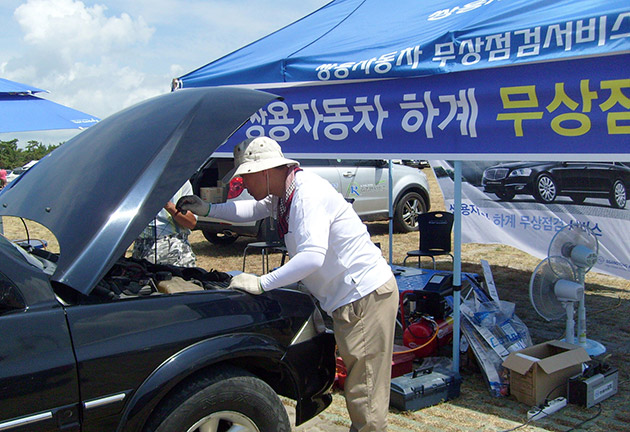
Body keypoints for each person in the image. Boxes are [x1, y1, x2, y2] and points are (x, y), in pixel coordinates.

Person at [177, 137, 399, 432]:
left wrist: (261, 282)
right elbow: (247, 211)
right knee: (362, 387)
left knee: (365, 392)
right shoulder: (284, 193)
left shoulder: (307, 194)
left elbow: (311, 258)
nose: (242, 184)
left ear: (265, 171)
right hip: (350, 296)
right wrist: (207, 209)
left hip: (363, 297)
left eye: (246, 177)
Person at [133, 181, 197, 267]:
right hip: (142, 248)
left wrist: (167, 204)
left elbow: (191, 223)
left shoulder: (181, 182)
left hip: (174, 248)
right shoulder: (137, 182)